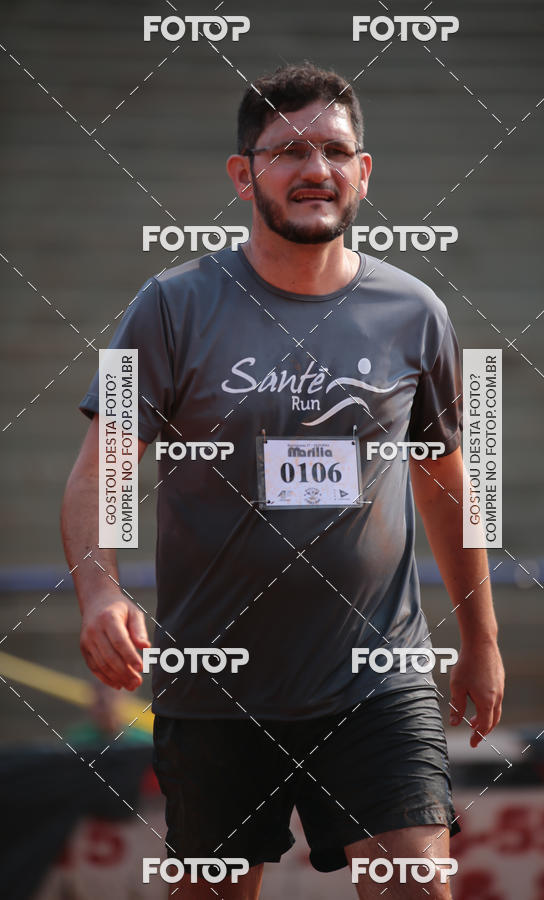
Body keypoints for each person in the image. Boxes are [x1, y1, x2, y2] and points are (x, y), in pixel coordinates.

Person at [61, 62, 504, 899]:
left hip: (378, 677)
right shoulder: (164, 306)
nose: (316, 170)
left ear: (363, 171)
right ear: (243, 174)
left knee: (421, 884)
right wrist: (98, 592)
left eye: (336, 150)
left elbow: (452, 480)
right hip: (214, 688)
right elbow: (103, 467)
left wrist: (479, 638)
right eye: (288, 151)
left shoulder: (420, 313)